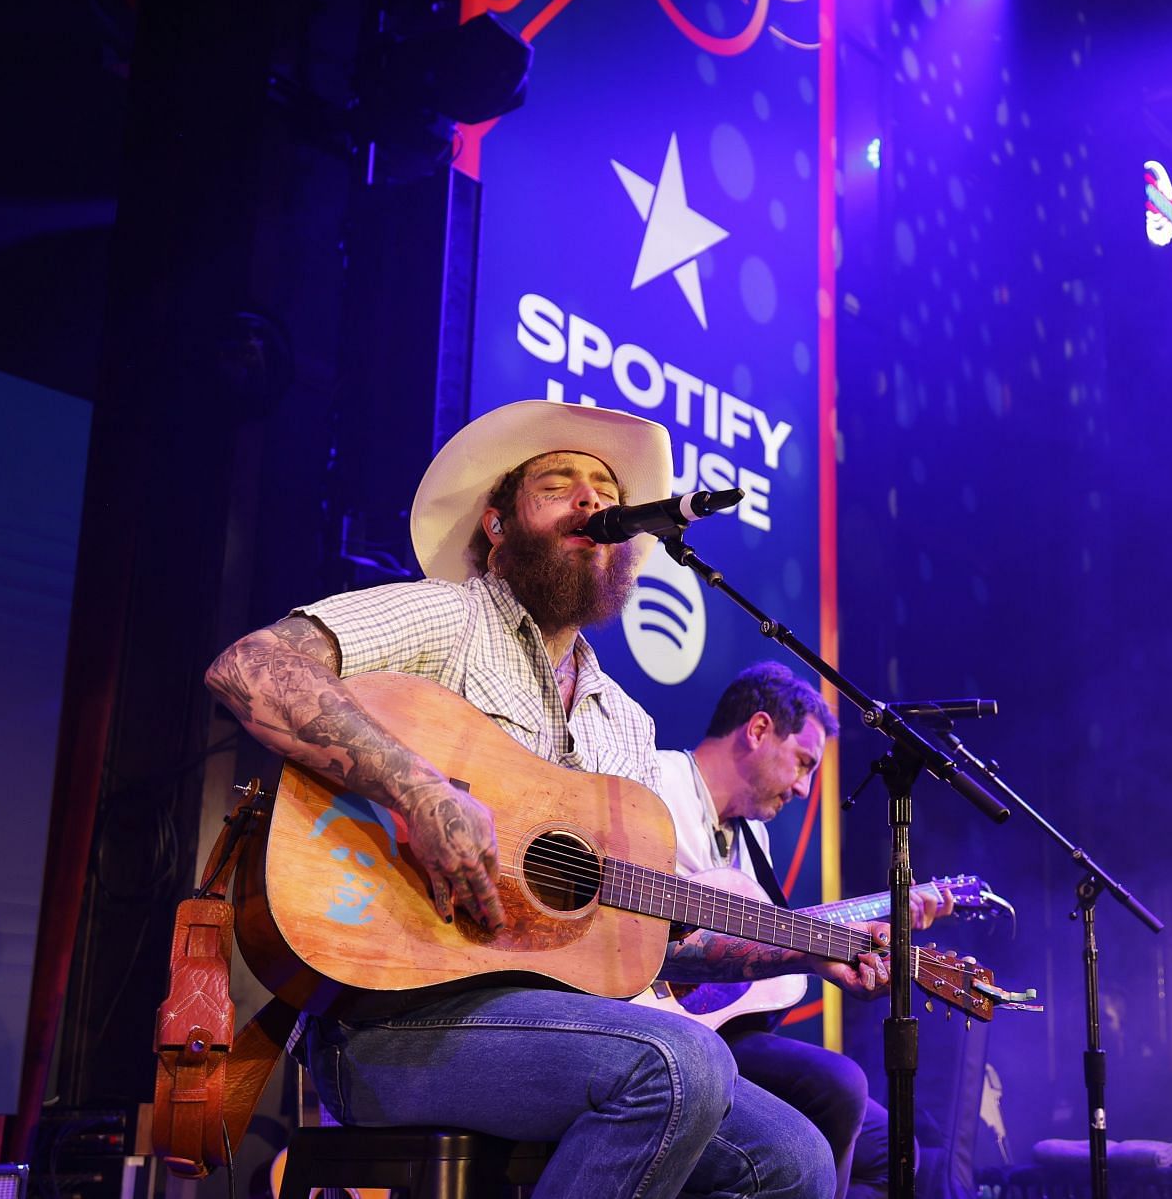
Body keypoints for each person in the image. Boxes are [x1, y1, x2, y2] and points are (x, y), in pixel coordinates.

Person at [204, 399, 891, 1199]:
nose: (593, 499)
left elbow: (646, 941)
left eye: (604, 488)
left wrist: (806, 947)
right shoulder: (448, 615)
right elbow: (251, 666)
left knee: (797, 1158)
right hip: (386, 1023)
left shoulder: (626, 721)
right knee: (679, 1064)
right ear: (497, 524)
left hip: (564, 1032)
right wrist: (420, 791)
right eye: (559, 482)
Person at [652, 663, 952, 1199]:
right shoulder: (654, 785)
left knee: (898, 1149)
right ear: (759, 730)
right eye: (804, 762)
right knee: (840, 1084)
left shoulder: (754, 843)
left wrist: (877, 921)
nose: (804, 787)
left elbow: (763, 946)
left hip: (725, 1032)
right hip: (654, 1022)